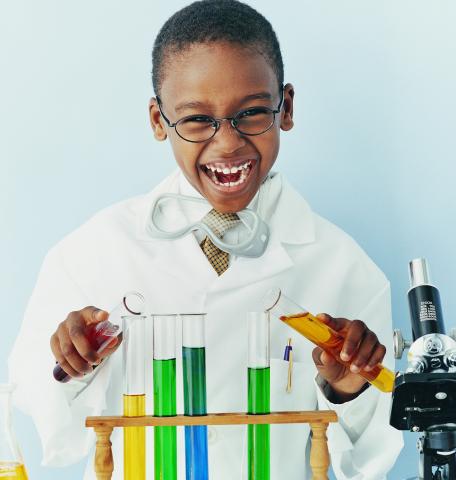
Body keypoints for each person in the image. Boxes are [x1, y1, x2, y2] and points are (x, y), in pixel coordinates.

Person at [9, 1, 403, 479]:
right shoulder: (92, 252)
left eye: (253, 112)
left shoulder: (344, 267)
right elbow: (35, 405)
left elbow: (374, 454)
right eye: (197, 121)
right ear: (159, 121)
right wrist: (70, 363)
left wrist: (346, 390)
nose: (228, 144)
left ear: (288, 108)